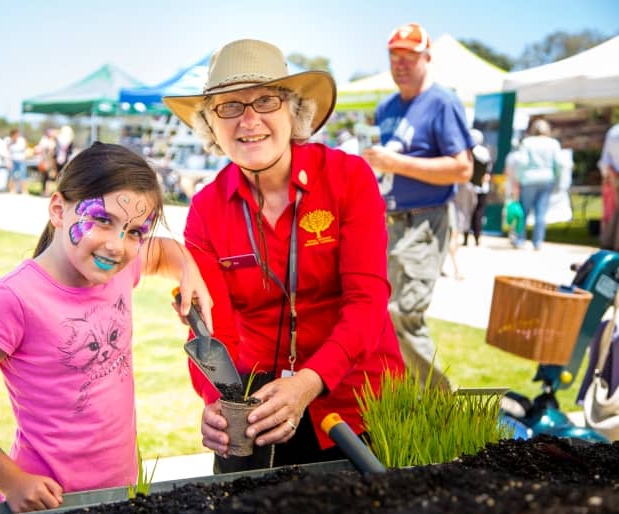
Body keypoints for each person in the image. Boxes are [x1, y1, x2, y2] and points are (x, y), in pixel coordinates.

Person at [0, 142, 212, 513]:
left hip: (119, 498)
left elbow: (162, 251)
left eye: (133, 231)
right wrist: (9, 479)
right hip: (46, 506)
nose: (117, 245)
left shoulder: (121, 268)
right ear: (58, 209)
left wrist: (191, 272)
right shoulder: (14, 299)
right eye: (102, 220)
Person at [163, 38, 404, 474]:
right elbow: (212, 328)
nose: (248, 120)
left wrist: (310, 382)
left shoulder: (349, 178)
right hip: (260, 412)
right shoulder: (206, 209)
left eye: (265, 100)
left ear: (292, 111)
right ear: (210, 126)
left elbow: (367, 304)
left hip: (360, 400)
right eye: (228, 107)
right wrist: (216, 400)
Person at [361, 23, 473, 390]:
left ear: (427, 58)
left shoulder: (442, 102)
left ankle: (445, 401)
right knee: (380, 315)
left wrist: (396, 164)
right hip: (389, 222)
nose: (401, 64)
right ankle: (413, 399)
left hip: (425, 222)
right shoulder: (386, 107)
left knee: (402, 313)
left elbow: (462, 167)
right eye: (395, 56)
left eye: (409, 57)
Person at [511, 119, 562, 251]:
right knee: (541, 213)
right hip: (546, 179)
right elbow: (559, 164)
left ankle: (520, 240)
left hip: (528, 180)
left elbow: (522, 162)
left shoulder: (528, 142)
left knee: (524, 211)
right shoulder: (553, 143)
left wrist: (518, 178)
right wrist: (556, 178)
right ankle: (538, 242)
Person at [463, 129, 492, 246]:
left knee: (467, 212)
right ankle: (477, 238)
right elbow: (488, 170)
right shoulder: (485, 151)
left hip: (467, 186)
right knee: (478, 213)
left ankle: (465, 237)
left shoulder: (467, 151)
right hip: (482, 187)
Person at [599, 123, 619, 250]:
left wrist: (609, 177)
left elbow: (605, 160)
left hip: (615, 177)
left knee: (614, 213)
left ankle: (610, 245)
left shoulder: (613, 131)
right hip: (615, 177)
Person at [7, 129, 28, 195]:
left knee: (23, 175)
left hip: (21, 160)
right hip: (13, 160)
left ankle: (24, 190)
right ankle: (12, 190)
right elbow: (8, 152)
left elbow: (25, 150)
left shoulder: (22, 140)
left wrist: (25, 157)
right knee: (11, 175)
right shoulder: (9, 142)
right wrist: (8, 161)